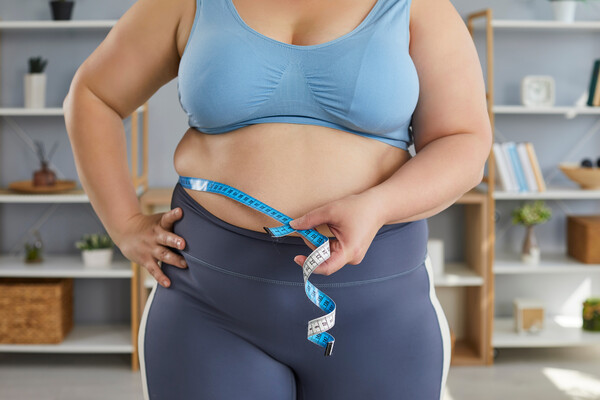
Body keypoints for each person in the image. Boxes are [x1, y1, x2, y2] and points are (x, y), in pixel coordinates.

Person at [63, 0, 492, 398]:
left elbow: (464, 142)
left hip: (379, 304)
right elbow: (93, 95)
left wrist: (379, 205)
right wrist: (124, 223)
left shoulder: (418, 7)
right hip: (209, 302)